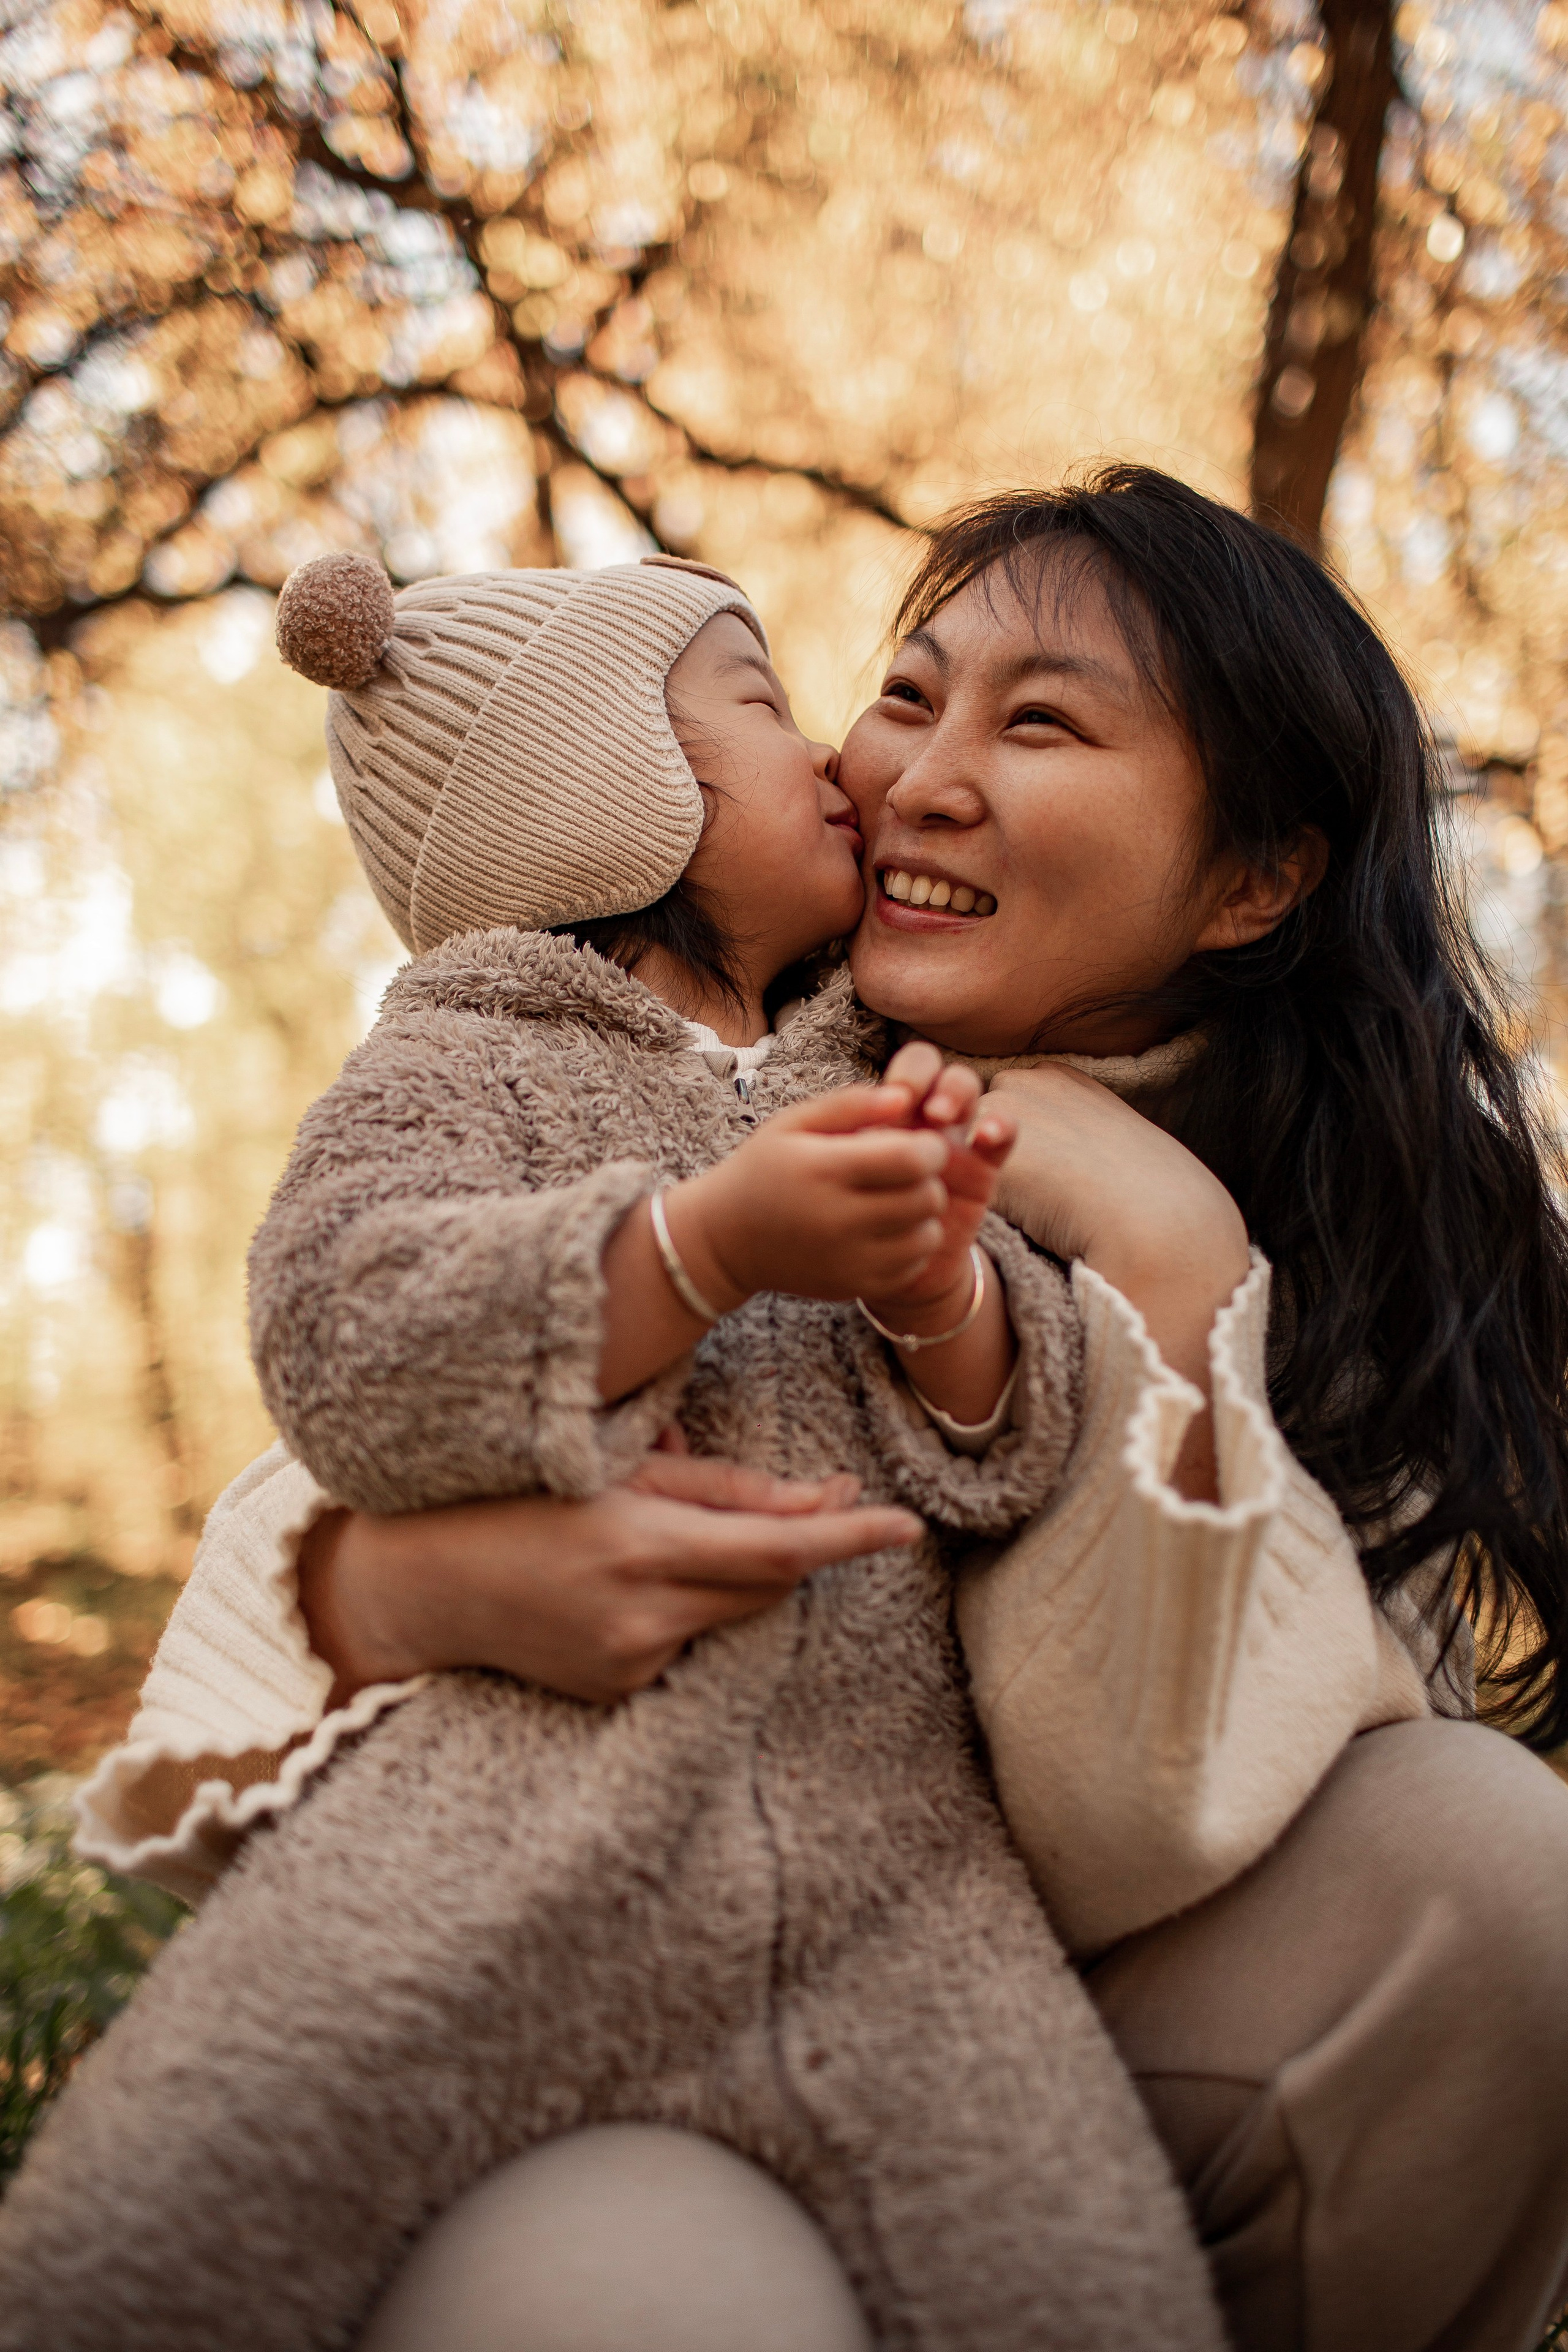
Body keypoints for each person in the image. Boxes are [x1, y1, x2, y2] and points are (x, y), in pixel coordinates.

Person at [67, 467, 1568, 2351]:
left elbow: (1146, 1818)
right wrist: (402, 1594)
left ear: (1258, 876)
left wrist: (1169, 1265)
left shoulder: (1334, 1235)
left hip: (988, 1987)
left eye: (1041, 722)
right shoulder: (682, 1068)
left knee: (1497, 1872)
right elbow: (361, 1362)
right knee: (647, 2288)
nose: (912, 774)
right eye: (906, 693)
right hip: (593, 1973)